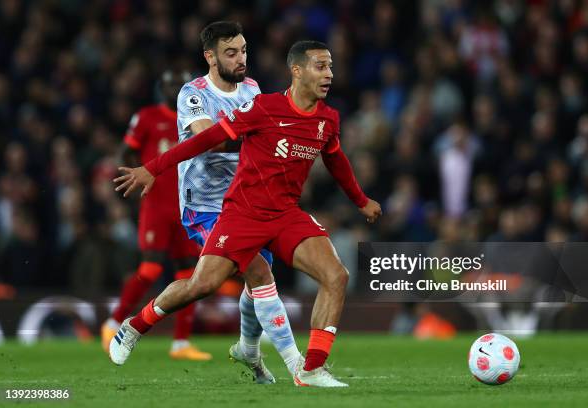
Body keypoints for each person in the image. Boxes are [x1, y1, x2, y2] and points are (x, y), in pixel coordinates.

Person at [111, 40, 382, 388]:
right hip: (242, 214)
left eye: (330, 66)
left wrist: (360, 200)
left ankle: (310, 369)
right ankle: (135, 326)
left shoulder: (328, 118)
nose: (329, 74)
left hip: (285, 214)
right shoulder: (263, 108)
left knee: (335, 275)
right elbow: (204, 140)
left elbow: (335, 158)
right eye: (320, 66)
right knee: (203, 284)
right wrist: (152, 168)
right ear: (297, 71)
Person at [174, 21, 302, 382]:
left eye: (243, 50)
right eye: (231, 52)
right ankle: (298, 365)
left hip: (249, 203)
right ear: (210, 56)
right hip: (204, 204)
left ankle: (250, 354)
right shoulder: (192, 94)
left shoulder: (252, 88)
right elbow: (210, 140)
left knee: (256, 279)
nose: (241, 57)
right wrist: (256, 136)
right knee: (257, 270)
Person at [101, 70, 211, 361]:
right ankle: (114, 322)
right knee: (150, 269)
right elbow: (125, 153)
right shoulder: (147, 116)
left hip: (187, 206)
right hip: (156, 206)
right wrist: (139, 178)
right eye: (170, 84)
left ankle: (180, 343)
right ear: (161, 88)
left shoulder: (197, 118)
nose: (175, 89)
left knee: (190, 273)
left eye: (180, 85)